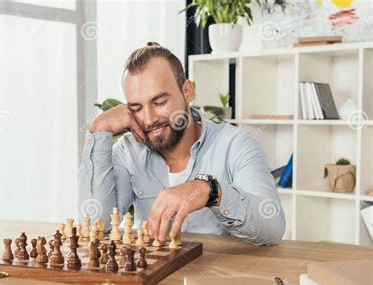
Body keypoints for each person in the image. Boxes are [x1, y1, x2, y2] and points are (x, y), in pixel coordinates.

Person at [78, 42, 285, 246]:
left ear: (187, 92)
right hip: (154, 277)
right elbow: (95, 225)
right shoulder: (128, 150)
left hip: (215, 277)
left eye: (159, 102)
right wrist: (99, 130)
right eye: (136, 108)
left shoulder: (235, 144)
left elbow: (272, 228)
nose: (149, 119)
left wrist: (211, 191)